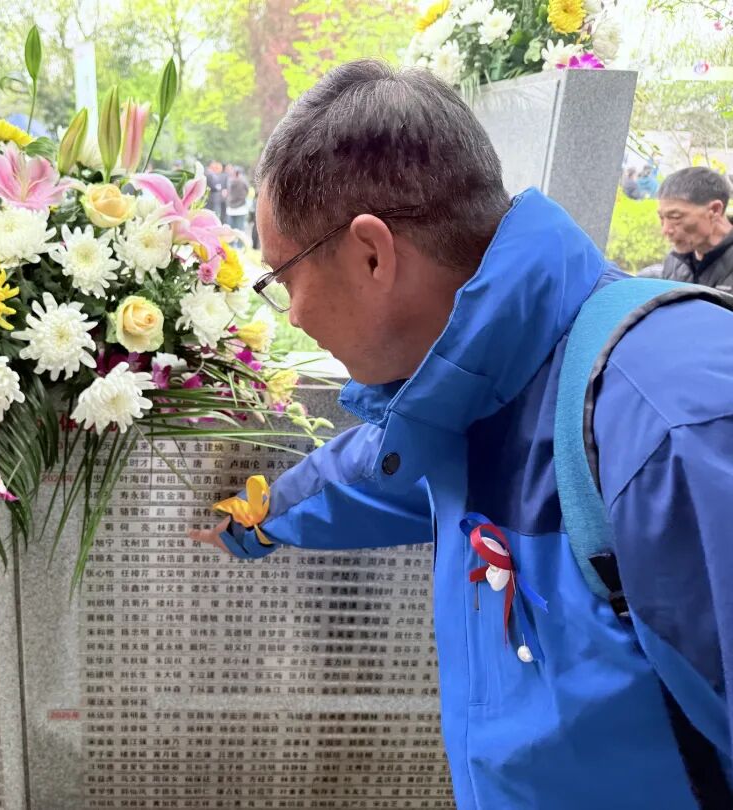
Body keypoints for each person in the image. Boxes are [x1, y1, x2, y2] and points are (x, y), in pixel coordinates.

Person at [190, 60, 733, 809]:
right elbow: (381, 466)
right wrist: (257, 516)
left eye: (281, 279)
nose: (292, 314)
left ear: (373, 253)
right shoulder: (477, 389)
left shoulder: (672, 422)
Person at [652, 166, 733, 291]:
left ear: (715, 210)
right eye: (662, 218)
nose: (666, 230)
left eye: (675, 217)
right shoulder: (675, 261)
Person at [225, 167, 250, 245]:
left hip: (231, 208)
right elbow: (247, 191)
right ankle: (240, 246)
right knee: (240, 230)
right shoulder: (243, 181)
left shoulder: (229, 181)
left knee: (231, 230)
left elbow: (227, 193)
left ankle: (231, 245)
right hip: (241, 208)